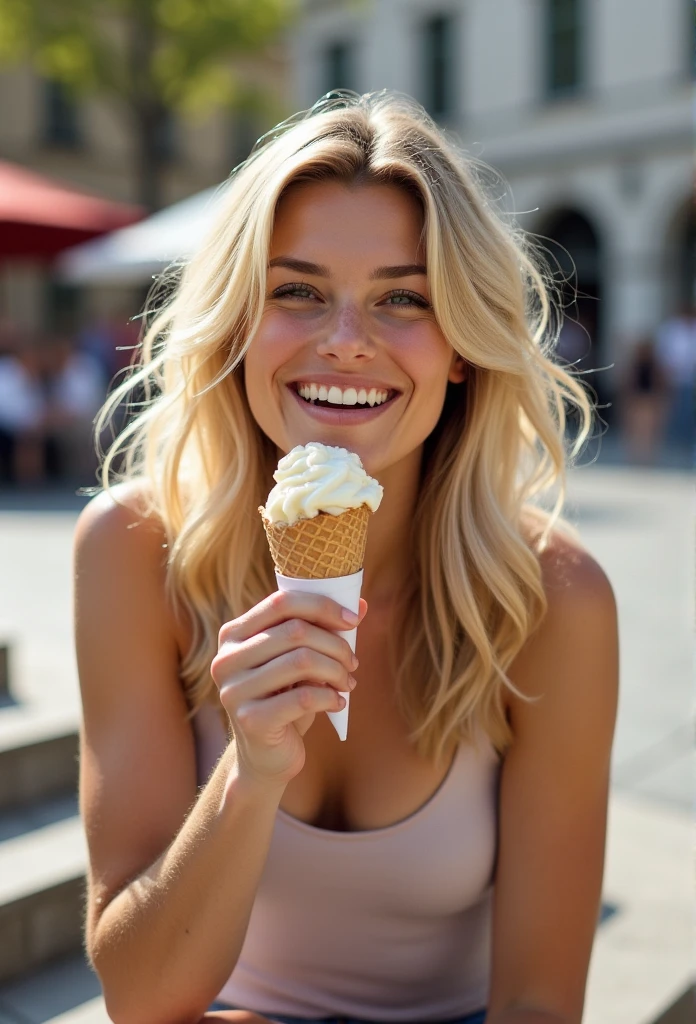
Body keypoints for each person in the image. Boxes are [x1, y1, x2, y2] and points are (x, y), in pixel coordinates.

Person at [74, 92, 619, 1024]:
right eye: (297, 291)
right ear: (239, 322)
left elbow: (538, 1002)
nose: (345, 341)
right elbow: (140, 997)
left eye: (403, 298)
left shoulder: (552, 597)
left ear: (461, 349)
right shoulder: (136, 550)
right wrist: (250, 772)